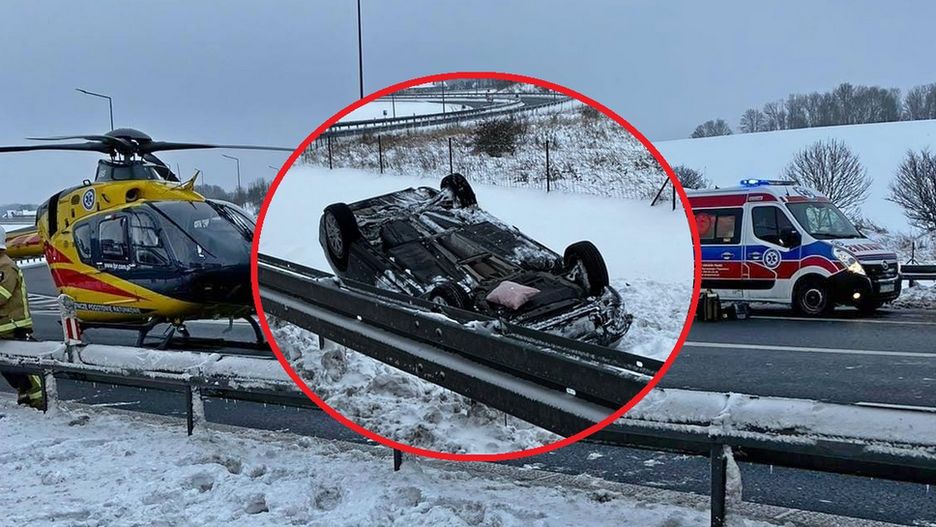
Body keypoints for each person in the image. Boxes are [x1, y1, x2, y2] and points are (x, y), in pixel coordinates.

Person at [0, 225, 41, 408]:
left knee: (29, 374)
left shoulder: (5, 266)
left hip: (12, 326)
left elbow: (2, 295)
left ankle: (40, 403)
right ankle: (27, 402)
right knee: (13, 372)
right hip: (5, 328)